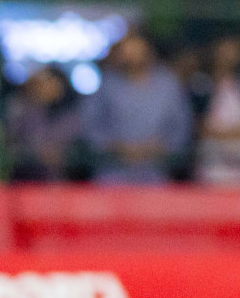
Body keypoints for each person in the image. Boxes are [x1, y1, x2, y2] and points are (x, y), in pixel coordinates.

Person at [80, 33, 192, 184]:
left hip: (156, 172)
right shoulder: (106, 85)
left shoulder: (168, 84)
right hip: (112, 172)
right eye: (127, 52)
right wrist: (116, 146)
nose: (132, 56)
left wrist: (160, 146)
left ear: (148, 51)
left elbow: (181, 125)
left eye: (137, 50)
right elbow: (90, 124)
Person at [193, 35, 240, 185]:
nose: (229, 55)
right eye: (225, 49)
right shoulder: (201, 84)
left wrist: (222, 133)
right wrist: (238, 133)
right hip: (212, 167)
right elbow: (199, 127)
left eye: (234, 50)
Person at [5, 66, 82, 181]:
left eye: (51, 83)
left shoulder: (71, 115)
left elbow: (76, 147)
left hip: (61, 182)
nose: (46, 88)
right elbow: (13, 141)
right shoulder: (23, 109)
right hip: (24, 179)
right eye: (43, 83)